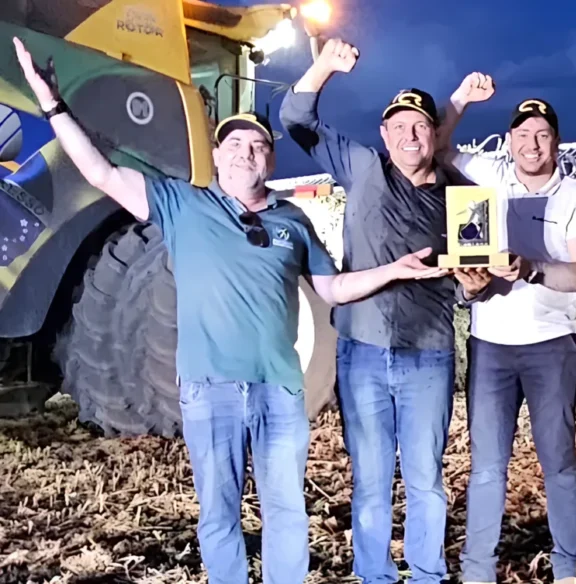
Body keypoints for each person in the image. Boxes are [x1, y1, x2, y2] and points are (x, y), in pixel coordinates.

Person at [11, 37, 446, 584]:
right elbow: (101, 174)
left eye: (258, 145)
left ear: (271, 159)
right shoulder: (181, 204)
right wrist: (53, 106)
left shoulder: (293, 221)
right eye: (234, 143)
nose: (246, 152)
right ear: (215, 156)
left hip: (280, 391)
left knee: (287, 513)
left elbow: (332, 289)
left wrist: (393, 269)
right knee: (219, 514)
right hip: (210, 389)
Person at [278, 39, 491, 584]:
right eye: (398, 126)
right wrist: (324, 66)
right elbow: (296, 119)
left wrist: (476, 287)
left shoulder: (465, 197)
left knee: (426, 480)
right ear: (384, 133)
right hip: (363, 352)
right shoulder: (364, 168)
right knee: (370, 481)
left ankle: (426, 574)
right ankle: (375, 574)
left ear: (435, 133)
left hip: (429, 353)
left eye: (419, 125)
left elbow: (475, 282)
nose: (408, 135)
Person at [434, 72, 576, 584]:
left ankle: (569, 567)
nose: (532, 144)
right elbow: (436, 147)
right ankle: (478, 571)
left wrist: (530, 268)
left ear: (556, 141)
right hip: (490, 347)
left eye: (542, 135)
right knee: (487, 466)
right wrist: (460, 100)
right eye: (523, 134)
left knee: (559, 462)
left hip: (551, 346)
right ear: (509, 140)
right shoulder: (487, 175)